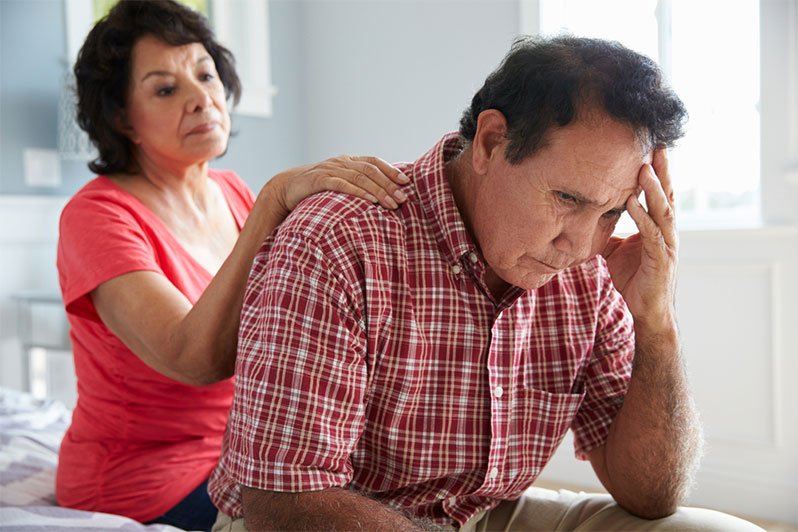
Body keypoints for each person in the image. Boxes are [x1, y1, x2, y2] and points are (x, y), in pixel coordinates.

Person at [208, 36, 764, 531]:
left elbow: (651, 495)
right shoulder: (337, 238)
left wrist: (656, 320)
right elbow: (284, 500)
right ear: (491, 142)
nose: (579, 244)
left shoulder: (589, 268)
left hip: (481, 512)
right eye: (568, 199)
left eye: (612, 212)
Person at [54, 1, 409, 530]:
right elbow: (193, 359)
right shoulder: (96, 215)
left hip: (245, 455)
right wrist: (275, 199)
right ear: (123, 117)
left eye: (205, 74)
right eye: (166, 88)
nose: (201, 98)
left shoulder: (231, 192)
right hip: (146, 483)